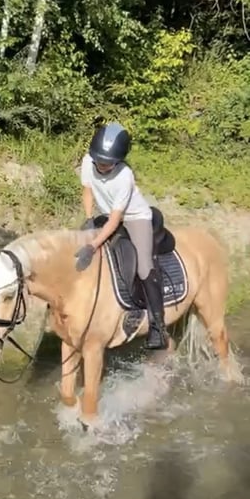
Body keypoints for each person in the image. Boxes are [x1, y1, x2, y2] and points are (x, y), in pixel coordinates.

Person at [74, 121, 169, 350]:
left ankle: (158, 327)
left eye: (108, 163)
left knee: (144, 266)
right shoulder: (88, 161)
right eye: (99, 160)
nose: (102, 165)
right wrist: (88, 218)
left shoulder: (124, 176)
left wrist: (93, 245)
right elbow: (87, 190)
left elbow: (116, 220)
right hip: (106, 214)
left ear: (118, 160)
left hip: (134, 217)